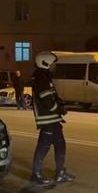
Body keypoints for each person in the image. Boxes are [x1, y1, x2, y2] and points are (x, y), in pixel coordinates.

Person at [31, 51, 75, 185]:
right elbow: (48, 101)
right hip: (47, 119)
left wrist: (60, 104)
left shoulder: (45, 78)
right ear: (45, 64)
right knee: (43, 147)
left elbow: (52, 97)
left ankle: (60, 172)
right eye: (52, 65)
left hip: (53, 119)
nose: (54, 67)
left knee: (60, 145)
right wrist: (60, 109)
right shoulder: (41, 80)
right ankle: (36, 174)